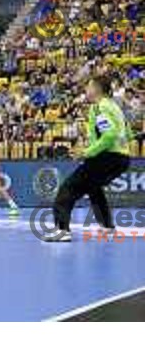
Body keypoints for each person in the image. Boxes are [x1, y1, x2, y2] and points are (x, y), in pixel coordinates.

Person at [47, 76, 131, 242]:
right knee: (94, 189)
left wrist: (87, 152)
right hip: (122, 157)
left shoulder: (99, 107)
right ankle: (107, 226)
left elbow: (109, 135)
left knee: (67, 189)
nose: (85, 90)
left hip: (105, 157)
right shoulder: (115, 107)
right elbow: (126, 133)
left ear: (96, 89)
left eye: (88, 86)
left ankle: (62, 230)